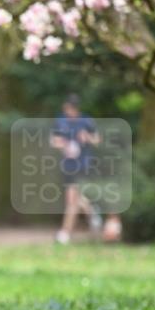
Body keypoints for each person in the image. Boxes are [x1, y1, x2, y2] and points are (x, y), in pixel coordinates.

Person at [49, 93, 101, 245]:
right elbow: (54, 141)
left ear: (75, 108)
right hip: (68, 165)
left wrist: (87, 138)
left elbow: (97, 140)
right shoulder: (60, 121)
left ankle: (65, 233)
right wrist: (63, 144)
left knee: (71, 200)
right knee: (76, 200)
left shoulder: (86, 121)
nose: (66, 111)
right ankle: (92, 212)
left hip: (83, 164)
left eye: (69, 108)